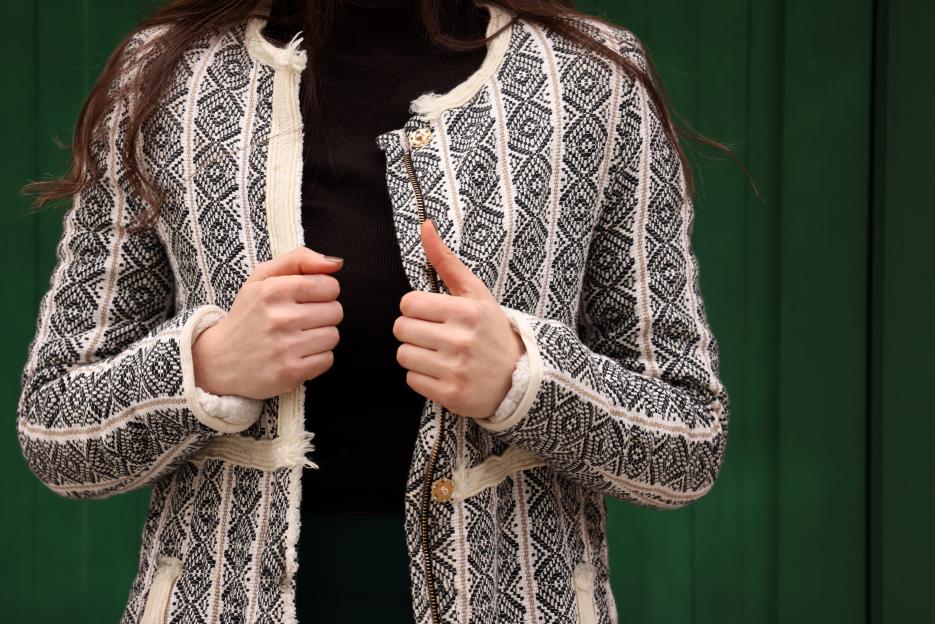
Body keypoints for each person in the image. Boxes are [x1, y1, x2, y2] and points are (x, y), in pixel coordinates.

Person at [16, 0, 731, 622]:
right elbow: (56, 432)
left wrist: (529, 380)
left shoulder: (590, 77)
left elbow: (687, 447)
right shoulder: (165, 75)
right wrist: (204, 367)